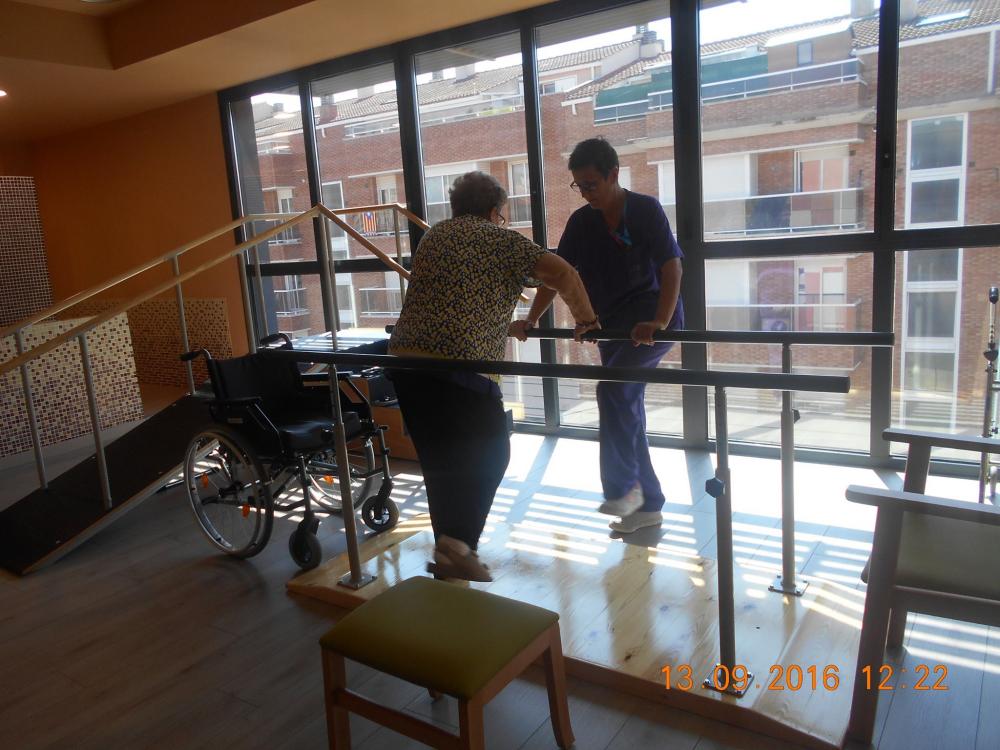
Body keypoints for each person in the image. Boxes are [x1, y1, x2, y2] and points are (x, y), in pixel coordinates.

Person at [388, 171, 599, 582]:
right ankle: (458, 546)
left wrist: (518, 322)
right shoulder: (499, 239)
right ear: (493, 211)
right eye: (501, 214)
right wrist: (587, 320)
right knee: (492, 455)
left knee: (441, 465)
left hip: (407, 363)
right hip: (459, 367)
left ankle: (450, 553)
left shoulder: (434, 236)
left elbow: (458, 300)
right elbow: (563, 273)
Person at [511, 138, 684, 534]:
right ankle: (649, 504)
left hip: (651, 324)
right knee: (625, 409)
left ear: (613, 174)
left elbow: (672, 267)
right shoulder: (581, 222)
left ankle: (624, 489)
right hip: (612, 327)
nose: (585, 193)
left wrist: (659, 320)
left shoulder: (645, 209)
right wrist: (531, 319)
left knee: (613, 392)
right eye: (579, 186)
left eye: (591, 184)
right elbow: (559, 274)